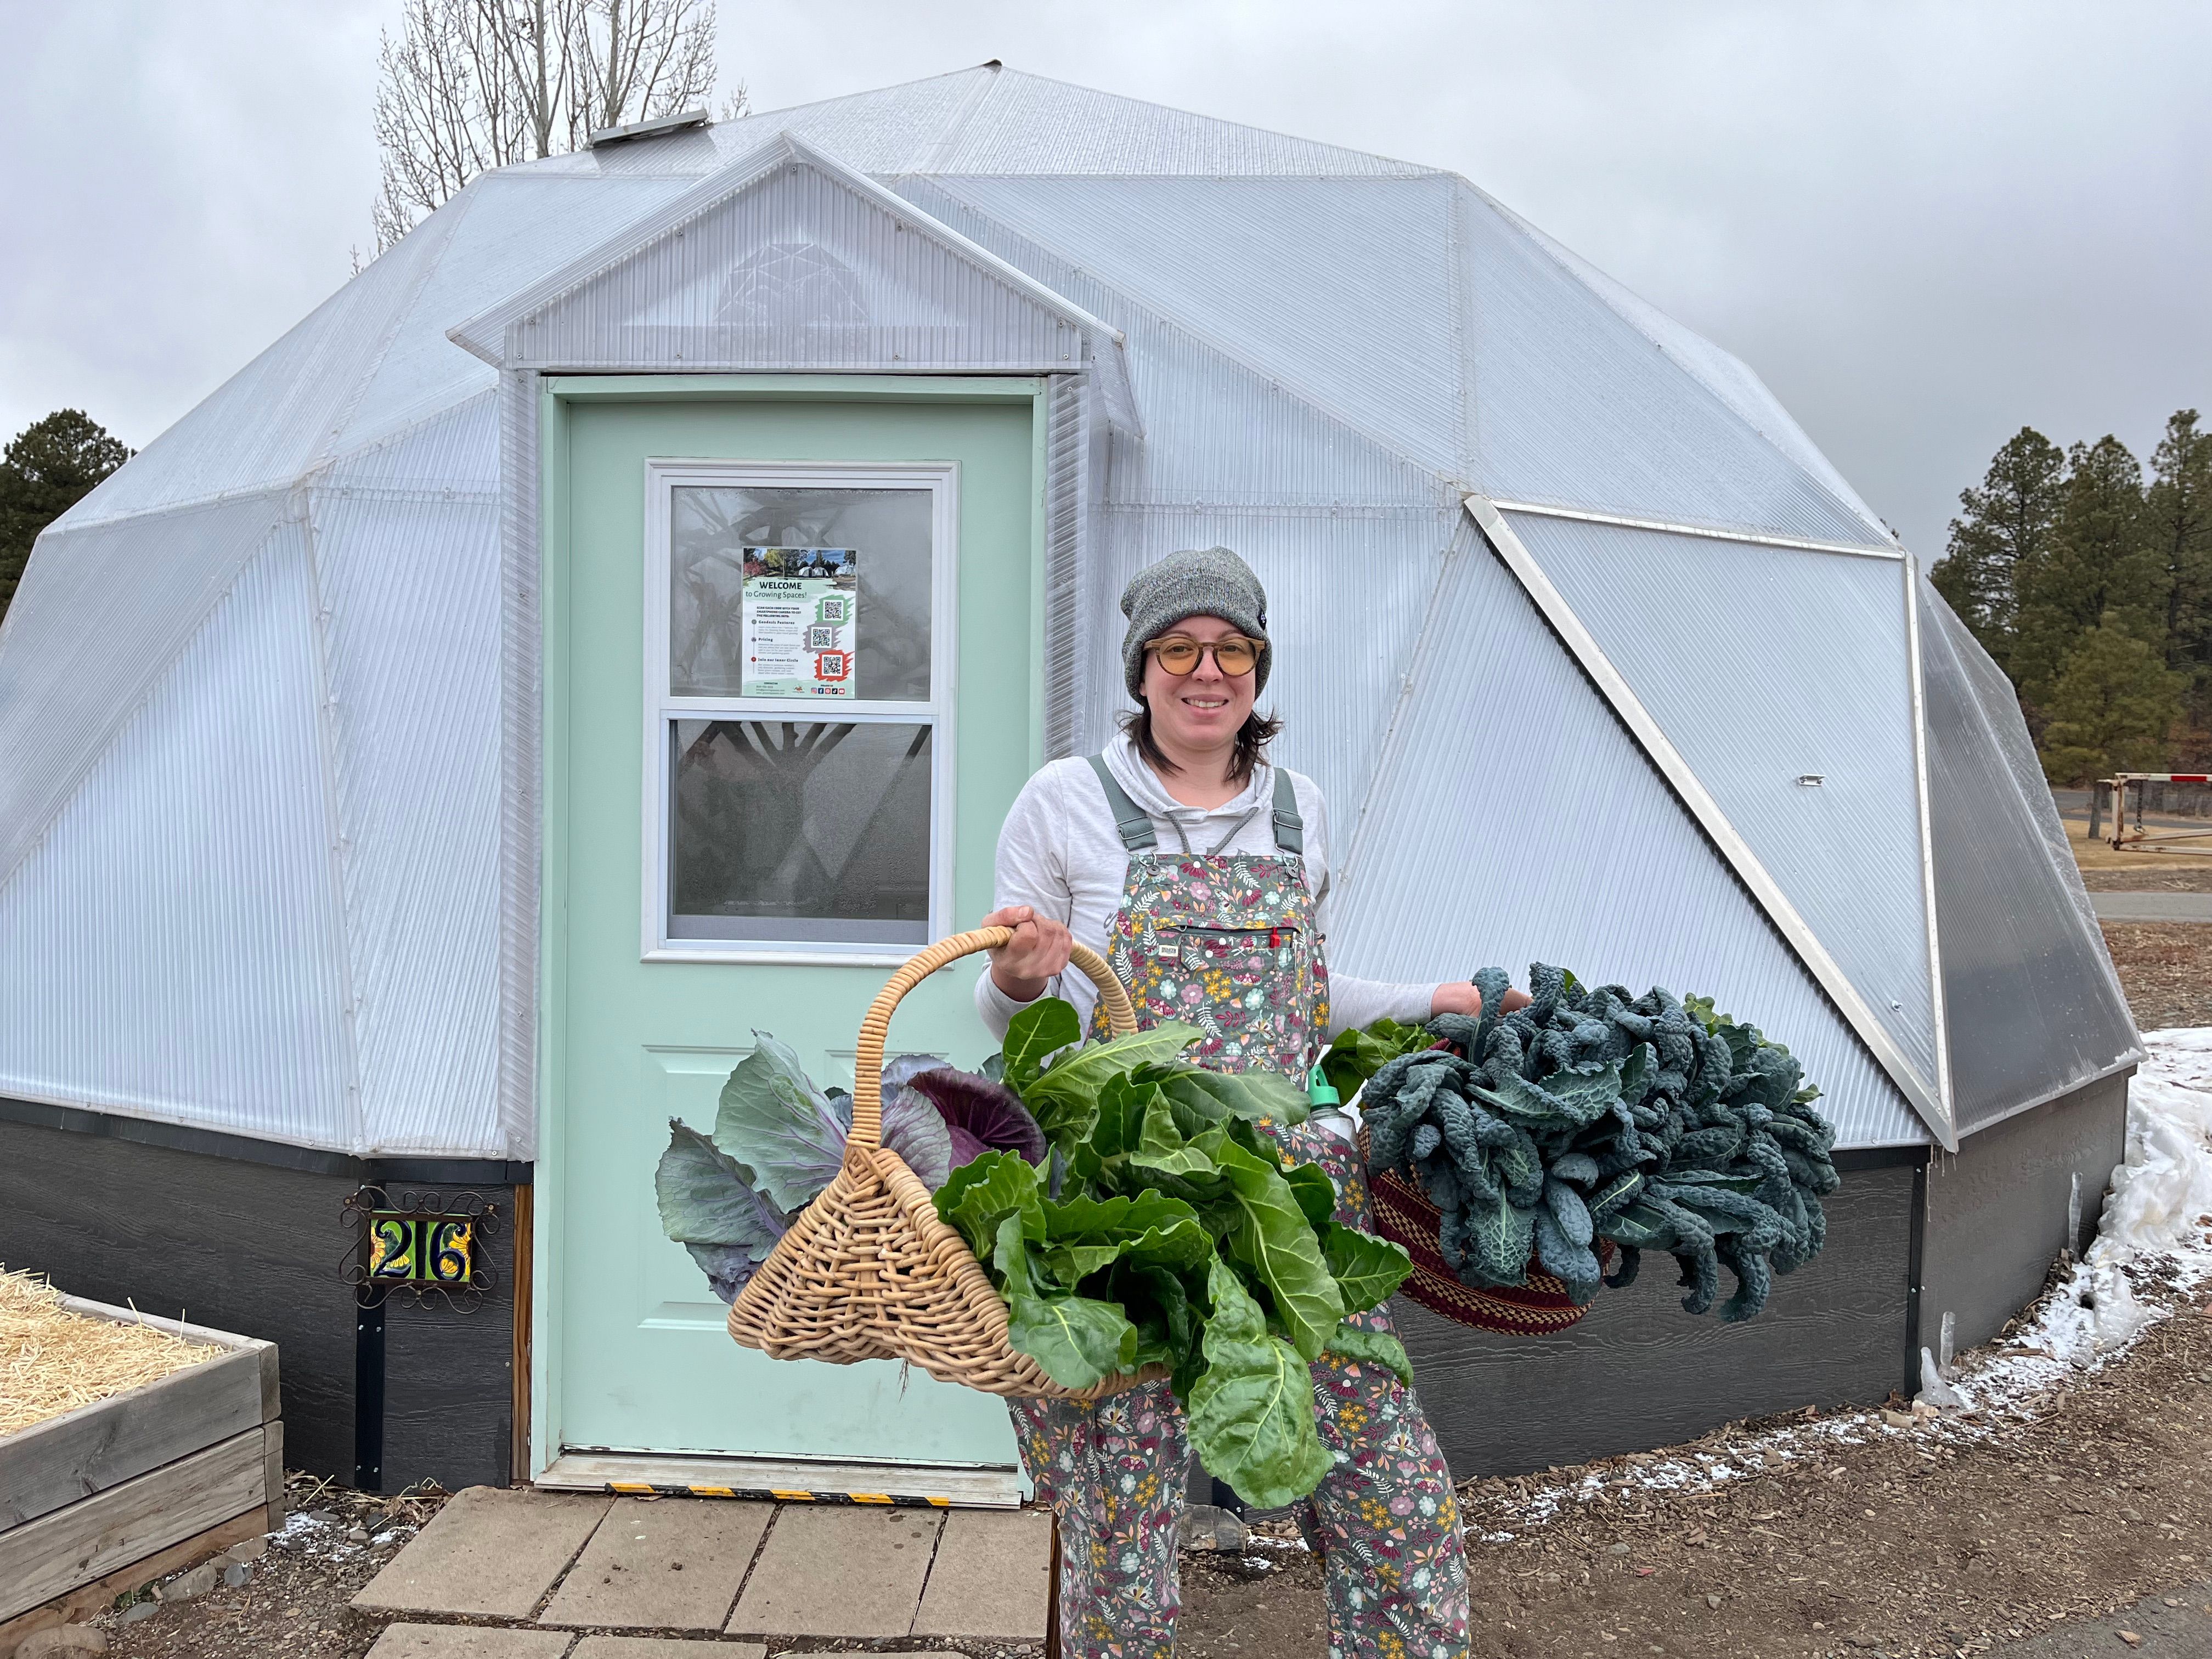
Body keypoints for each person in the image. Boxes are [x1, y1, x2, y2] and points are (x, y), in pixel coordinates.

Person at [974, 546, 1512, 1659]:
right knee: (1123, 1539)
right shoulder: (1065, 802)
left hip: (1284, 1208)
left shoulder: (1297, 811)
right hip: (1130, 1219)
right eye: (1179, 648)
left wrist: (1433, 997)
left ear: (1258, 670)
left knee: (1393, 1499)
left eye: (1230, 649)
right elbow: (1008, 1005)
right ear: (1143, 668)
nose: (1204, 671)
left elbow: (1307, 1000)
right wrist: (1023, 977)